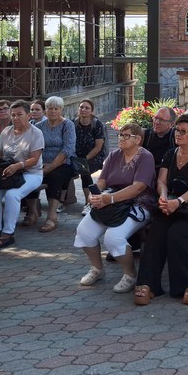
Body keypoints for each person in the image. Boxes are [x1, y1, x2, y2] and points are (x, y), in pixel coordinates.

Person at [134, 113, 188, 306]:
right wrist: (163, 196)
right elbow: (161, 181)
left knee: (177, 235)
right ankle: (148, 285)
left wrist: (177, 201)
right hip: (171, 205)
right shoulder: (171, 154)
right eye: (177, 130)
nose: (178, 134)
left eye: (183, 131)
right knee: (155, 232)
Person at [74, 121, 156, 293]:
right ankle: (97, 269)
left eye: (127, 136)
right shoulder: (113, 155)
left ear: (138, 139)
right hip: (111, 201)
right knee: (84, 232)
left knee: (113, 238)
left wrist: (109, 199)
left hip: (138, 202)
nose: (122, 138)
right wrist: (95, 194)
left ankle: (130, 275)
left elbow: (138, 187)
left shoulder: (145, 157)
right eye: (120, 134)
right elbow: (102, 180)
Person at [0, 100, 44, 248]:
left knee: (12, 195)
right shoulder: (6, 131)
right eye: (13, 115)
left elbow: (35, 159)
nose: (16, 118)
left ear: (28, 115)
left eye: (20, 114)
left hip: (30, 173)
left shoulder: (36, 133)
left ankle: (8, 233)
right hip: (9, 173)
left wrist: (18, 165)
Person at [34, 96, 76, 233]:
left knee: (54, 177)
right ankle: (32, 211)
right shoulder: (38, 126)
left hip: (63, 163)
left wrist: (50, 167)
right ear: (45, 110)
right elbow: (34, 147)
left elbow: (67, 149)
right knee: (29, 175)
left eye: (56, 109)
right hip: (41, 162)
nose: (52, 111)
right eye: (50, 108)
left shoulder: (67, 125)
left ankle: (52, 216)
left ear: (61, 110)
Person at [73, 99, 107, 203]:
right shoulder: (73, 123)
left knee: (85, 171)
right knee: (64, 170)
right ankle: (63, 201)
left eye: (87, 108)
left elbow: (98, 147)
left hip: (94, 156)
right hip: (76, 156)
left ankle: (89, 201)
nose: (83, 110)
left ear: (92, 111)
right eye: (81, 107)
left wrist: (84, 159)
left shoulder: (97, 124)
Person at [142, 106, 176, 170]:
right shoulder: (146, 135)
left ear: (171, 124)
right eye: (155, 118)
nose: (157, 122)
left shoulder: (176, 137)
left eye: (161, 120)